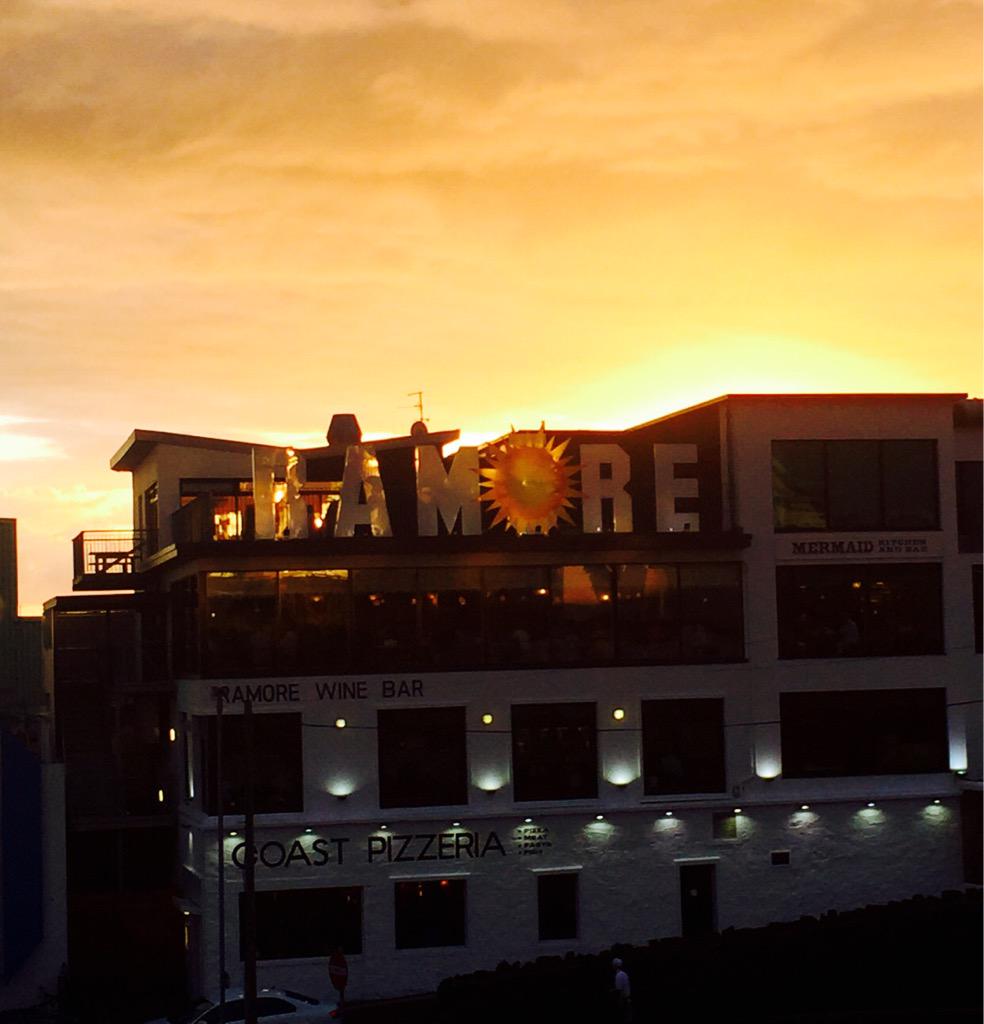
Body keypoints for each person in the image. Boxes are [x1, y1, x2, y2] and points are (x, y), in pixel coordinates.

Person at [611, 957, 632, 1023]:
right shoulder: (624, 973)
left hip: (624, 1001)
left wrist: (620, 1004)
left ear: (615, 966)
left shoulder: (618, 976)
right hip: (628, 999)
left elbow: (620, 991)